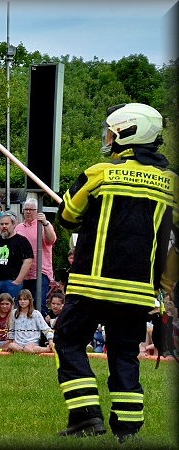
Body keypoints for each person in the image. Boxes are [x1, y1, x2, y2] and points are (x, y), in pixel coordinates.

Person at [54, 103, 178, 441]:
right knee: (125, 354)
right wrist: (165, 282)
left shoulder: (100, 174)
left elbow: (67, 217)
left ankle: (85, 417)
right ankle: (127, 429)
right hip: (137, 291)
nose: (108, 138)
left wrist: (72, 205)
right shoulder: (171, 184)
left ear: (126, 132)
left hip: (90, 286)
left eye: (112, 131)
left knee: (68, 341)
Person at [15, 198, 57, 316]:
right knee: (22, 304)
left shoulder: (43, 225)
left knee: (39, 304)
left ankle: (42, 333)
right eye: (26, 209)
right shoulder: (18, 228)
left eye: (31, 210)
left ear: (37, 211)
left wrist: (45, 223)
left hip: (40, 271)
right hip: (23, 272)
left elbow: (51, 240)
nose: (28, 212)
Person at [0, 212, 33, 303]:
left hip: (11, 283)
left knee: (12, 311)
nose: (4, 226)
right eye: (1, 224)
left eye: (6, 224)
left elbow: (28, 260)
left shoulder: (21, 241)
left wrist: (18, 280)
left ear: (13, 225)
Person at [7, 289, 52, 354]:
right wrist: (11, 342)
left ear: (30, 300)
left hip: (32, 343)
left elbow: (46, 328)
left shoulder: (36, 314)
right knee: (11, 345)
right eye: (20, 299)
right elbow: (12, 329)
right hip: (18, 343)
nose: (22, 302)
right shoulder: (14, 313)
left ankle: (47, 349)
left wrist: (50, 340)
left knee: (28, 348)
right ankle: (24, 351)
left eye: (25, 299)